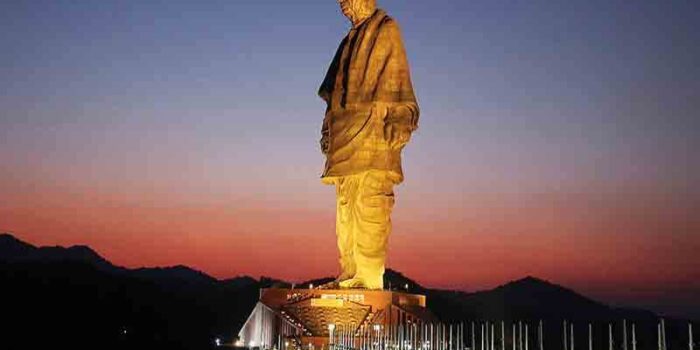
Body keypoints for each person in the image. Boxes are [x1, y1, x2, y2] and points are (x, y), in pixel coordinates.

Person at [318, 0, 419, 289]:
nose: (343, 6)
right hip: (344, 135)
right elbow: (333, 92)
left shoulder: (386, 30)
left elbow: (400, 86)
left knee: (370, 204)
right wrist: (328, 126)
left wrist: (399, 120)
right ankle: (350, 271)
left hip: (374, 133)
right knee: (346, 206)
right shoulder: (347, 42)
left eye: (347, 0)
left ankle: (368, 274)